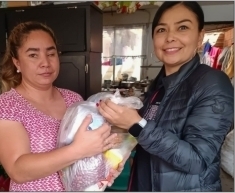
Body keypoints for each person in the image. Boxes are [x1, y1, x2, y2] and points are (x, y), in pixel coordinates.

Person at [98, 1, 234, 192]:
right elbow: (150, 137)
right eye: (161, 30)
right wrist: (121, 139)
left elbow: (197, 161)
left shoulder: (212, 83)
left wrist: (136, 124)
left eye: (183, 27)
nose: (170, 37)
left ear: (200, 37)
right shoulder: (159, 85)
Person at [0, 21, 126, 191]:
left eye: (51, 54)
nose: (45, 62)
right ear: (17, 63)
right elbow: (18, 170)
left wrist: (107, 164)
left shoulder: (73, 99)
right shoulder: (6, 106)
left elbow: (90, 152)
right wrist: (78, 150)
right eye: (33, 55)